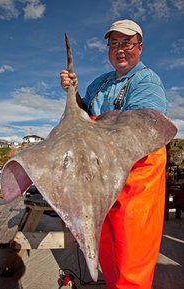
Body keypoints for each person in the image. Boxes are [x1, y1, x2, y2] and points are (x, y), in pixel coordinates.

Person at [60, 19, 167, 289]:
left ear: (139, 48)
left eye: (127, 43)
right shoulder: (100, 83)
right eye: (114, 43)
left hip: (137, 174)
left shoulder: (147, 80)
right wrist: (73, 92)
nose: (120, 49)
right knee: (106, 249)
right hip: (102, 173)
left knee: (132, 255)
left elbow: (144, 126)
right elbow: (83, 118)